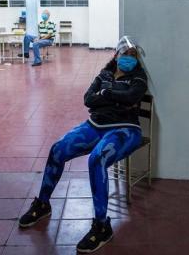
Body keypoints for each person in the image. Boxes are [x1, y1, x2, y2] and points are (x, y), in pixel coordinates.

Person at [18, 36, 148, 253]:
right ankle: (42, 203)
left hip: (126, 129)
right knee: (58, 149)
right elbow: (88, 99)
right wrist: (115, 97)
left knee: (97, 159)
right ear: (116, 56)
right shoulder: (105, 74)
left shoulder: (138, 78)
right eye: (125, 55)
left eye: (133, 56)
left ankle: (101, 226)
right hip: (95, 124)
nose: (129, 59)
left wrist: (105, 94)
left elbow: (131, 97)